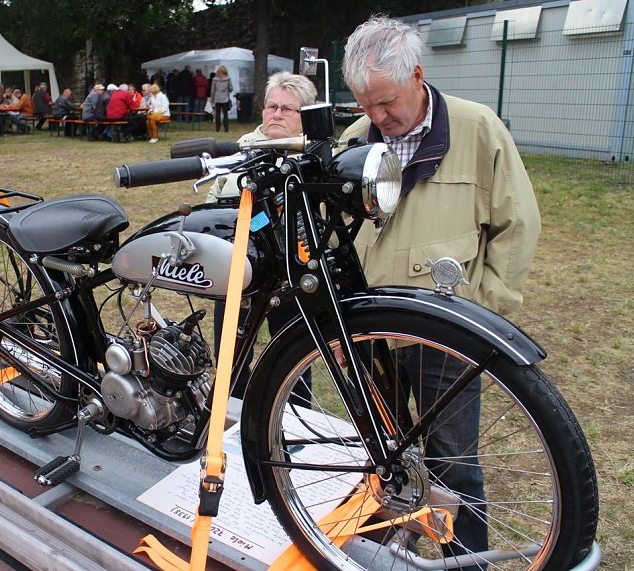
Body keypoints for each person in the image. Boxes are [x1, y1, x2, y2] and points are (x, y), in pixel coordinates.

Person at [340, 16, 541, 568]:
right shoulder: (355, 142)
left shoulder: (478, 129)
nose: (377, 118)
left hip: (446, 331)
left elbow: (517, 225)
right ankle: (377, 551)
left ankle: (464, 558)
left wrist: (483, 316)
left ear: (418, 75)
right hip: (369, 329)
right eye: (365, 105)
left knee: (453, 459)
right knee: (377, 454)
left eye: (386, 102)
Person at [207, 72, 317, 397]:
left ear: (305, 116)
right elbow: (213, 204)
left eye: (288, 109)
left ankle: (292, 432)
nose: (277, 114)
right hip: (236, 276)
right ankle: (232, 423)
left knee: (294, 360)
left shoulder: (314, 160)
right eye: (272, 106)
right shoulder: (238, 152)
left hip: (291, 280)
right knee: (229, 359)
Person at [210, 65, 233, 132]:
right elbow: (231, 88)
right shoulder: (228, 79)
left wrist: (212, 100)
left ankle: (217, 129)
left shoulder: (215, 79)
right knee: (225, 114)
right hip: (225, 98)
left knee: (217, 114)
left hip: (217, 98)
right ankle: (226, 129)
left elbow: (212, 90)